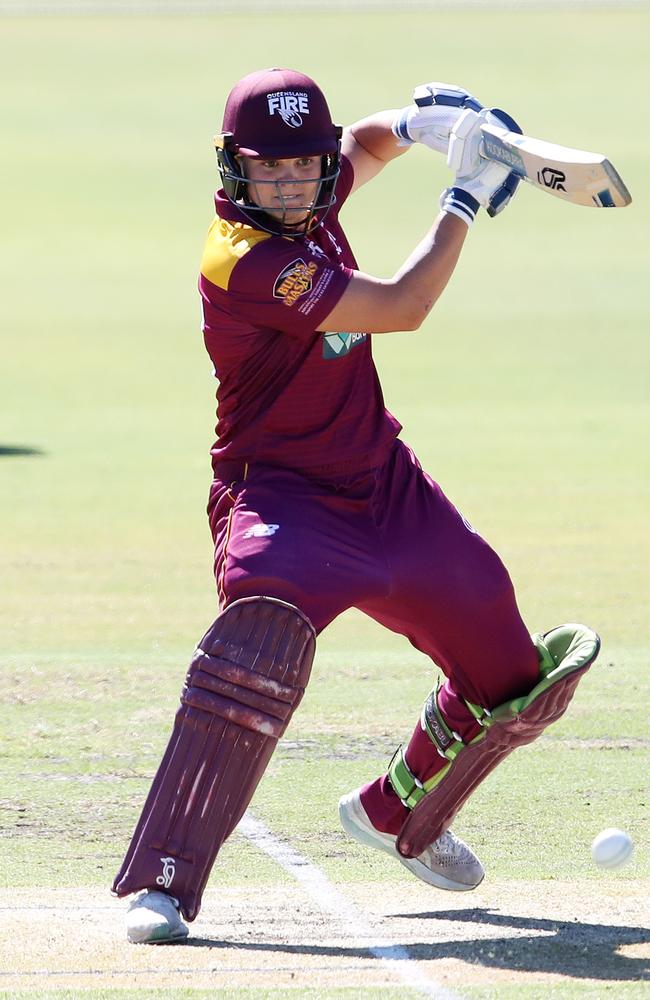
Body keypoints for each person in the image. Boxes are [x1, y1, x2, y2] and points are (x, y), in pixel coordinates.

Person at [112, 68, 600, 944]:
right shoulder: (248, 260)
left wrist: (421, 125)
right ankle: (164, 880)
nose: (294, 185)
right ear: (234, 170)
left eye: (306, 168)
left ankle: (397, 812)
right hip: (281, 499)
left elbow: (362, 145)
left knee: (517, 679)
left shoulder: (309, 192)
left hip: (384, 485)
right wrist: (462, 194)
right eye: (272, 171)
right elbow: (404, 307)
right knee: (258, 637)